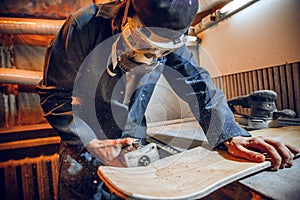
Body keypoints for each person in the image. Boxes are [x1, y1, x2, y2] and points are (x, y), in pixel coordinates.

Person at [36, 0, 299, 199]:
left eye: (162, 51)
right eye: (146, 42)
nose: (152, 56)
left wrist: (229, 134)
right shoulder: (83, 27)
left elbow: (198, 86)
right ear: (129, 10)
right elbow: (54, 95)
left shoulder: (170, 37)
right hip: (82, 155)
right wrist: (90, 142)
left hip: (132, 153)